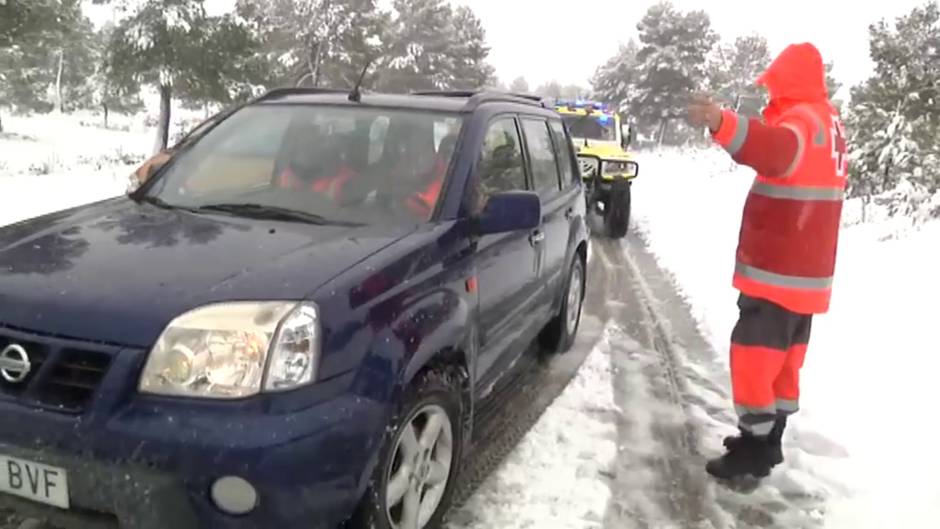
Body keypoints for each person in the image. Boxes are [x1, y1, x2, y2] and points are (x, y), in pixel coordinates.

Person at [686, 42, 849, 480]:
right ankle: (769, 438)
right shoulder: (828, 122)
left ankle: (753, 452)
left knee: (754, 357)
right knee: (784, 361)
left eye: (776, 85)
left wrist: (721, 122)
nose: (771, 94)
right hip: (808, 275)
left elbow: (771, 149)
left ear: (791, 83)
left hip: (780, 270)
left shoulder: (802, 122)